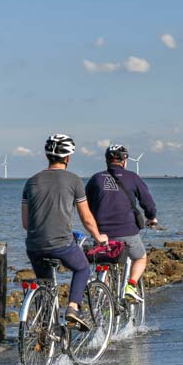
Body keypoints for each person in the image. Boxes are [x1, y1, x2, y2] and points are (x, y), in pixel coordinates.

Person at [22, 134, 107, 327]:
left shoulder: (31, 182)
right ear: (68, 158)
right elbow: (87, 218)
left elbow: (26, 223)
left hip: (34, 246)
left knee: (45, 284)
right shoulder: (74, 181)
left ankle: (44, 332)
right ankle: (73, 308)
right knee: (82, 267)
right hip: (61, 244)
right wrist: (99, 237)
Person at [85, 144, 158, 303]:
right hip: (127, 232)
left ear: (106, 160)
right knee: (140, 258)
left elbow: (85, 206)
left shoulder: (95, 179)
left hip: (101, 234)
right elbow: (148, 203)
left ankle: (103, 300)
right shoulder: (133, 177)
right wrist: (151, 217)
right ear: (125, 160)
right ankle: (131, 286)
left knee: (105, 262)